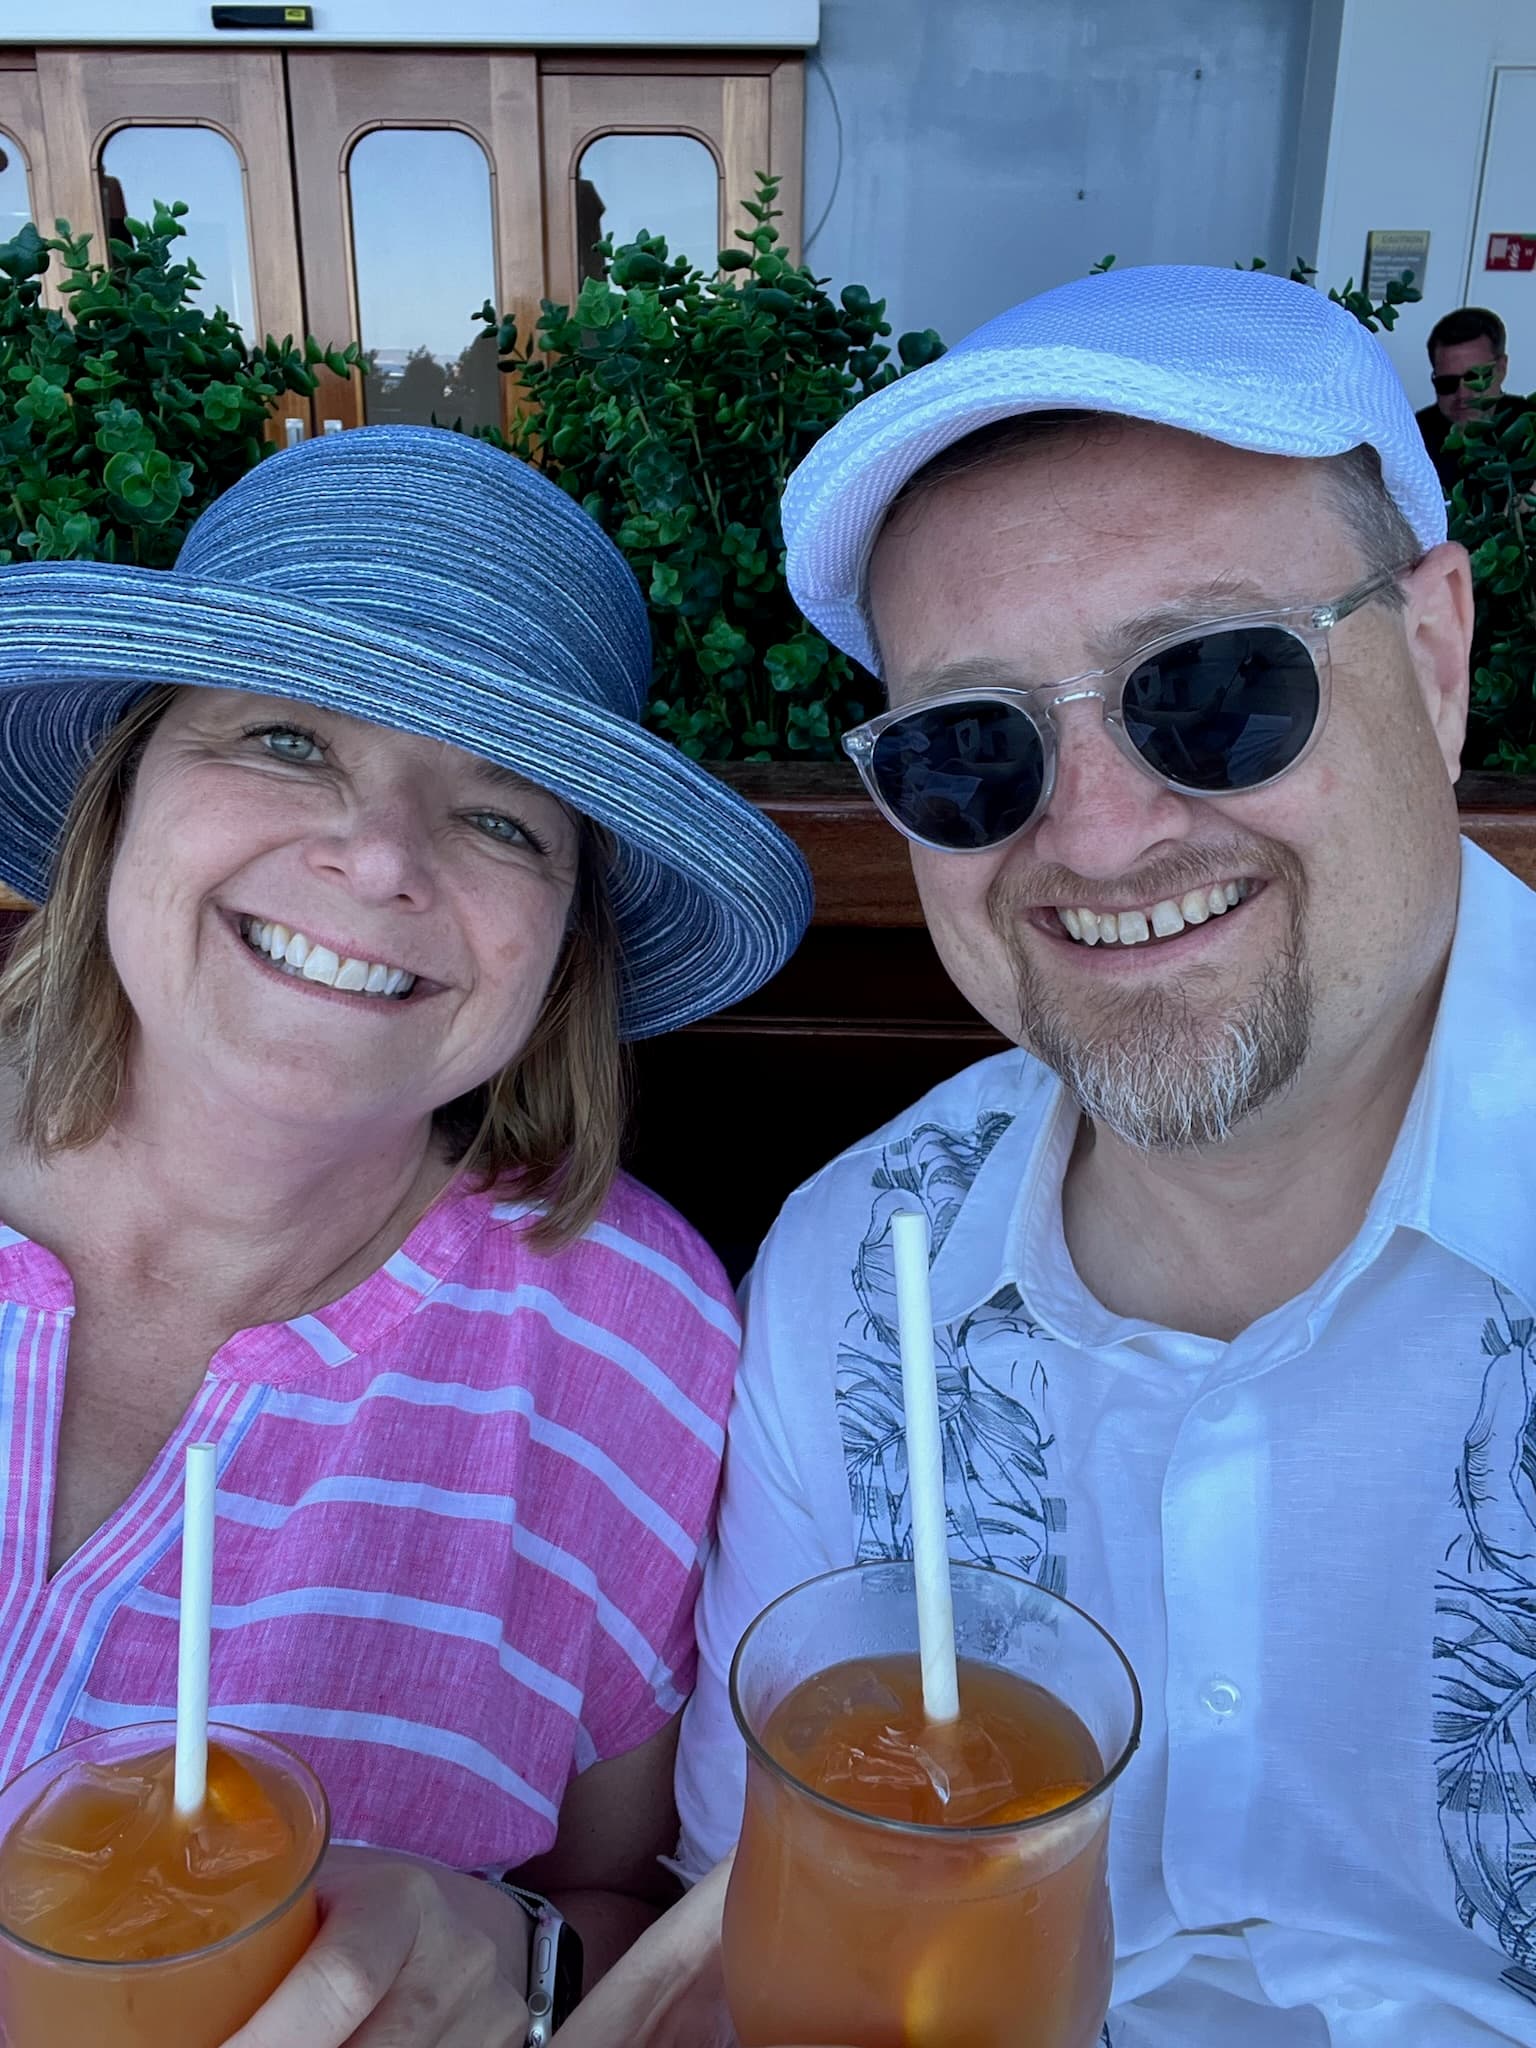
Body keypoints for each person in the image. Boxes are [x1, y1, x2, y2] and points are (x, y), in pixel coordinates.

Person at [563, 262, 1536, 2046]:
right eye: (968, 744)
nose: (1093, 832)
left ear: (1433, 651)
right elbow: (751, 1919)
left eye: (1214, 685)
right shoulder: (856, 1274)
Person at [0, 424, 812, 2047]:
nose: (376, 857)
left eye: (502, 816)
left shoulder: (634, 1336)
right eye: (287, 737)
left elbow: (616, 1903)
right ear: (128, 790)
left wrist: (503, 1957)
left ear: (561, 941)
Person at [1415, 304, 1517, 491]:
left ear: (1501, 368)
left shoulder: (1531, 426)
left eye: (1474, 378)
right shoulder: (1410, 437)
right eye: (1447, 382)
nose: (1463, 394)